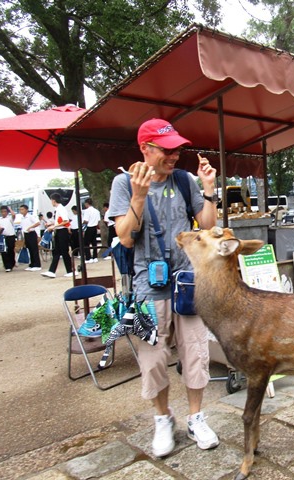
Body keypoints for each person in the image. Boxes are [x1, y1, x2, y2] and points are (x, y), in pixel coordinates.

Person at [108, 118, 219, 457]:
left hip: (188, 284)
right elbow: (126, 237)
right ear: (145, 149)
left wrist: (208, 188)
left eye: (177, 150)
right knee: (153, 360)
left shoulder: (185, 181)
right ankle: (162, 419)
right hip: (148, 288)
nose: (174, 157)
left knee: (196, 353)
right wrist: (139, 197)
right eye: (167, 151)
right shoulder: (123, 184)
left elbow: (208, 226)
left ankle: (196, 417)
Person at [41, 193, 73, 278]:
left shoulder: (61, 209)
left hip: (62, 231)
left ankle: (70, 270)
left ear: (53, 200)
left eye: (51, 200)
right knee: (57, 252)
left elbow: (66, 221)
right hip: (59, 231)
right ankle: (52, 271)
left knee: (64, 251)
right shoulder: (58, 209)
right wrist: (52, 224)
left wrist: (54, 226)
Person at [19, 204, 42, 271]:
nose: (21, 211)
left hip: (31, 234)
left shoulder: (30, 216)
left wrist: (31, 227)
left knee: (34, 249)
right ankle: (32, 264)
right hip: (26, 234)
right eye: (20, 210)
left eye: (22, 209)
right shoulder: (22, 218)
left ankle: (37, 265)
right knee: (30, 250)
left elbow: (38, 223)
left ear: (26, 210)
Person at [82, 198, 101, 263]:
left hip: (89, 227)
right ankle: (95, 257)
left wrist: (82, 224)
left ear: (87, 203)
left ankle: (88, 257)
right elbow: (98, 220)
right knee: (94, 242)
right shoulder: (97, 211)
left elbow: (86, 221)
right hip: (94, 227)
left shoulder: (87, 211)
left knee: (86, 243)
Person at [0, 205, 16, 272]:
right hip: (3, 236)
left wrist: (9, 208)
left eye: (5, 211)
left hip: (11, 236)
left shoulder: (10, 218)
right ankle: (7, 265)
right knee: (4, 251)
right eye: (2, 212)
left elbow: (14, 215)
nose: (3, 213)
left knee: (11, 250)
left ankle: (12, 263)